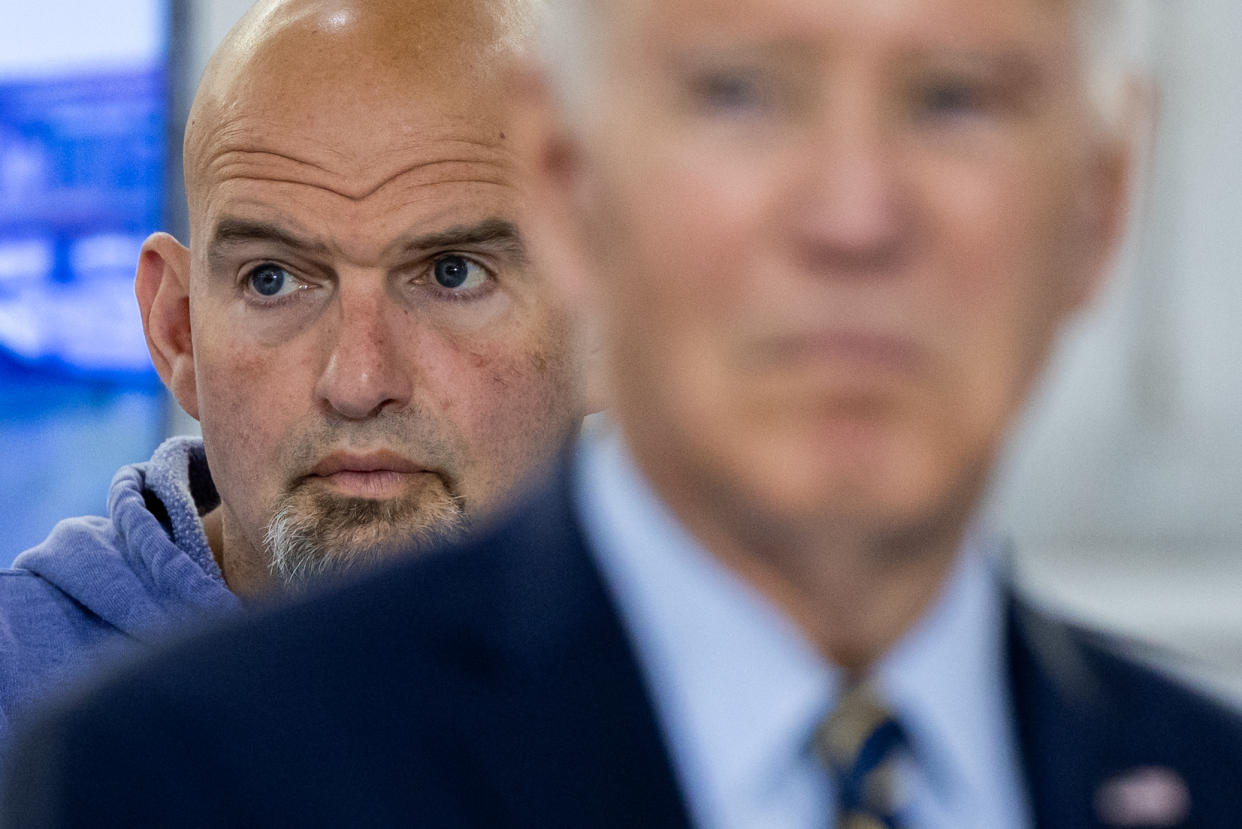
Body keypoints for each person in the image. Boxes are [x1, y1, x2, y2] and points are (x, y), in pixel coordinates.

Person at [7, 0, 1242, 826]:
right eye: (743, 98)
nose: (358, 376)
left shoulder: (1193, 773)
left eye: (453, 274)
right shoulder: (109, 756)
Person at [0, 0, 584, 749]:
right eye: (272, 279)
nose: (359, 379)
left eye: (451, 272)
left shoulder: (721, 702)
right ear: (176, 331)